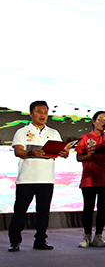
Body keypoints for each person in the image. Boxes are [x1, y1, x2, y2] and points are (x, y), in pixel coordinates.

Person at [8, 101, 69, 252]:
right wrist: (31, 152)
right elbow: (18, 151)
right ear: (31, 114)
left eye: (45, 112)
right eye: (39, 112)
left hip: (46, 179)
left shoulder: (54, 133)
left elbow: (61, 152)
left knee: (43, 212)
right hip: (26, 179)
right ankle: (15, 241)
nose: (43, 115)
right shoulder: (22, 132)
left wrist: (64, 153)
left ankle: (40, 240)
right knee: (20, 211)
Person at [75, 111, 105, 248]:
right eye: (101, 119)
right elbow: (79, 157)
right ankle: (87, 235)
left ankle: (99, 235)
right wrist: (88, 156)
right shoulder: (85, 138)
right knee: (88, 207)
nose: (104, 122)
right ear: (93, 121)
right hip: (89, 178)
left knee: (102, 208)